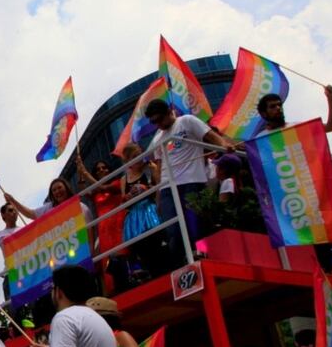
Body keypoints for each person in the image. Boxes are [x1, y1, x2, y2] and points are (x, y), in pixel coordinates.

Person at [145, 99, 234, 268]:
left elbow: (210, 136)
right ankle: (181, 265)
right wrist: (158, 194)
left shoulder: (186, 121)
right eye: (154, 122)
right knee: (173, 229)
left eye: (160, 119)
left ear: (169, 111)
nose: (159, 124)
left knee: (195, 224)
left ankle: (203, 257)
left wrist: (223, 145)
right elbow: (160, 166)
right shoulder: (158, 138)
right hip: (167, 187)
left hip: (191, 180)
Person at [77, 155, 129, 294]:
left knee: (122, 254)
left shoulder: (119, 183)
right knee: (108, 260)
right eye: (98, 169)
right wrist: (80, 171)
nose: (101, 170)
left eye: (104, 168)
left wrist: (86, 172)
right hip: (104, 230)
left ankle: (128, 282)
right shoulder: (95, 192)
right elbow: (84, 190)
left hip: (118, 224)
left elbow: (102, 187)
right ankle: (113, 289)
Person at [118, 143, 163, 281]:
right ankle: (148, 273)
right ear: (127, 161)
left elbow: (160, 188)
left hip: (150, 210)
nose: (138, 159)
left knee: (156, 245)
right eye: (134, 157)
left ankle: (159, 272)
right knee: (140, 249)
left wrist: (146, 188)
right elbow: (124, 203)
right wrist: (127, 197)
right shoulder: (124, 179)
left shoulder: (150, 168)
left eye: (139, 155)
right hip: (134, 217)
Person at [257, 86, 332, 135]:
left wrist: (331, 99)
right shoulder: (259, 140)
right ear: (264, 114)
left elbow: (331, 127)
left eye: (279, 105)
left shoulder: (297, 128)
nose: (278, 108)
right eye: (272, 106)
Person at [4, 179, 93, 222]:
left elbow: (90, 229)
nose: (57, 191)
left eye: (59, 188)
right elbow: (31, 214)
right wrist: (12, 201)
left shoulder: (81, 207)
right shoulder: (49, 207)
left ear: (66, 188)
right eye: (54, 190)